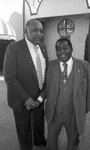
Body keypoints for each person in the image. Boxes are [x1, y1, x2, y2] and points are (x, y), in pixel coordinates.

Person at [3, 19, 48, 150]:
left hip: (39, 97)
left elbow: (45, 70)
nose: (39, 34)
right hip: (21, 99)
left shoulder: (43, 47)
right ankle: (26, 147)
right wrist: (28, 100)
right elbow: (10, 78)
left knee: (39, 122)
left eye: (41, 31)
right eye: (35, 30)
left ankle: (39, 141)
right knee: (24, 127)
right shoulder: (13, 48)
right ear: (26, 31)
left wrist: (40, 98)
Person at [45, 38, 90, 150]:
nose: (62, 51)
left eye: (65, 48)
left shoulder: (84, 66)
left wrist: (85, 107)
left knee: (73, 142)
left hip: (74, 112)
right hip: (54, 112)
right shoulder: (50, 65)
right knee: (51, 142)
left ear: (71, 49)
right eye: (58, 49)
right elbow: (46, 86)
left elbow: (89, 88)